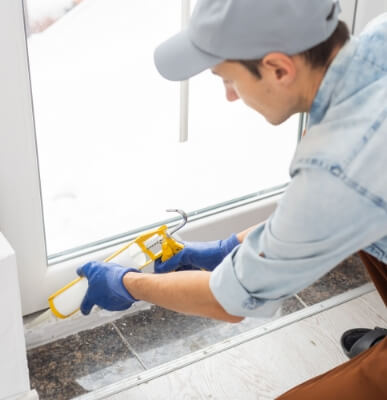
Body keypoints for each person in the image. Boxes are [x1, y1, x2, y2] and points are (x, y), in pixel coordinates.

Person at [77, 0, 387, 398]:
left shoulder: (338, 162)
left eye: (228, 79)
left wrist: (127, 283)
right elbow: (335, 210)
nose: (229, 96)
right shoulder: (378, 37)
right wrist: (229, 248)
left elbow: (228, 302)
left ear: (278, 68)